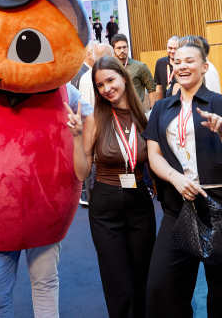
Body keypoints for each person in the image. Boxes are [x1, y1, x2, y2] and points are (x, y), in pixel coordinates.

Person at [143, 42, 222, 317]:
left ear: (204, 67)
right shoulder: (161, 108)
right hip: (178, 207)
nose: (182, 66)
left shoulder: (220, 102)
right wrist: (176, 179)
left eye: (189, 61)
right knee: (162, 289)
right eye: (177, 62)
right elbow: (153, 155)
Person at [68, 56, 155, 318]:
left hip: (139, 202)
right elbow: (83, 172)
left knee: (144, 275)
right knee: (118, 281)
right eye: (100, 85)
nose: (106, 88)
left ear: (124, 78)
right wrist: (75, 137)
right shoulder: (95, 118)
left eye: (110, 80)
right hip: (105, 207)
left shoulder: (144, 118)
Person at [77, 42, 116, 206]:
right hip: (97, 133)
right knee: (94, 175)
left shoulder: (114, 76)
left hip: (112, 131)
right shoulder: (87, 79)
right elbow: (86, 111)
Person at [111, 34, 157, 108]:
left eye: (124, 47)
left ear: (128, 47)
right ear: (113, 49)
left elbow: (151, 88)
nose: (122, 50)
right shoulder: (110, 68)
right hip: (117, 111)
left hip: (137, 110)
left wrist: (153, 111)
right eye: (119, 48)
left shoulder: (140, 66)